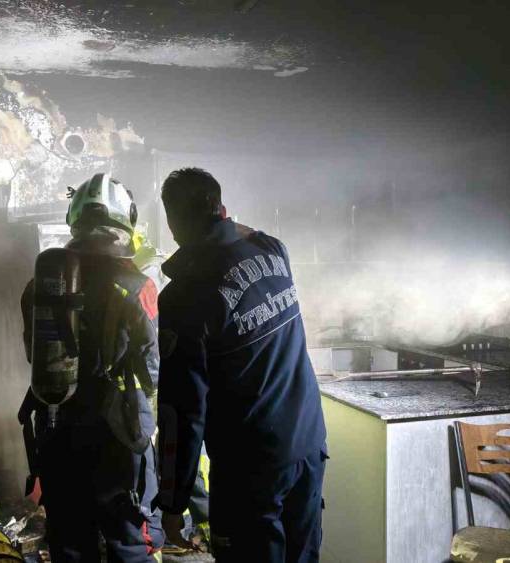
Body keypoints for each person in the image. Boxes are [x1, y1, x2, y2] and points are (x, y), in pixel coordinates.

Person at [154, 168, 327, 562]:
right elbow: (245, 233)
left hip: (251, 469)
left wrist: (172, 502)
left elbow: (182, 410)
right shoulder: (273, 250)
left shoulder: (185, 297)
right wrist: (224, 226)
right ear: (221, 208)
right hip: (308, 444)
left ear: (173, 223)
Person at [19, 173, 164, 562]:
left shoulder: (41, 285)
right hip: (116, 433)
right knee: (128, 537)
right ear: (125, 220)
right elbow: (151, 366)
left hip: (56, 421)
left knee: (69, 539)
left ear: (75, 220)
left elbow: (34, 353)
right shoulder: (137, 285)